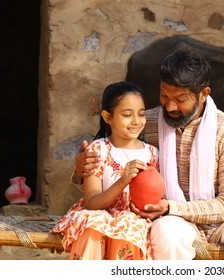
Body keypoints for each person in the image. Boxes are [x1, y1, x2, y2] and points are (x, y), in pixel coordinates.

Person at [73, 49, 224, 260]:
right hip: (170, 220)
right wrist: (83, 171)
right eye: (164, 95)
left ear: (204, 94)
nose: (170, 106)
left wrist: (172, 207)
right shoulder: (144, 123)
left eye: (181, 99)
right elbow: (111, 167)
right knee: (166, 234)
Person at [52, 81, 159, 260]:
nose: (136, 121)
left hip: (134, 219)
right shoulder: (97, 151)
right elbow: (92, 203)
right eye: (127, 114)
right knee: (93, 223)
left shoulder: (152, 153)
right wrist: (123, 179)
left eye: (141, 114)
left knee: (129, 223)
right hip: (100, 213)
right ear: (107, 117)